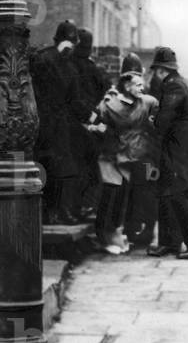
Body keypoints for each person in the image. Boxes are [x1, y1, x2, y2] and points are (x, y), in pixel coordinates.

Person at [148, 47, 188, 259]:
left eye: (156, 70)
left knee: (177, 192)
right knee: (166, 192)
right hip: (177, 146)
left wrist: (152, 120)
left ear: (161, 70)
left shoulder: (173, 86)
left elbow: (163, 120)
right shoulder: (173, 83)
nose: (154, 75)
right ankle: (169, 243)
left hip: (184, 149)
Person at [87, 63, 159, 254]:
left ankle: (118, 233)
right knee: (111, 195)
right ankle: (104, 236)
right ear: (127, 86)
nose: (141, 88)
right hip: (110, 156)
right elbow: (92, 122)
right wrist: (104, 131)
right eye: (137, 84)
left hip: (131, 156)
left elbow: (156, 116)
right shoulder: (109, 104)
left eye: (142, 84)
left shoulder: (146, 103)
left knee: (123, 197)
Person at [31, 20, 90, 225]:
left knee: (62, 168)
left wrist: (91, 117)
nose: (71, 48)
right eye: (69, 43)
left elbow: (75, 101)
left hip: (60, 125)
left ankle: (59, 212)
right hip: (42, 123)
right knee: (46, 167)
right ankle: (50, 214)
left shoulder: (70, 68)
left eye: (74, 45)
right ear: (61, 41)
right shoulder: (42, 60)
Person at [69, 28, 108, 219]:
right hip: (90, 123)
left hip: (73, 124)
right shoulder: (92, 68)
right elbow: (104, 91)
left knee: (78, 170)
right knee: (91, 169)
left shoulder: (69, 64)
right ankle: (88, 208)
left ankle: (80, 210)